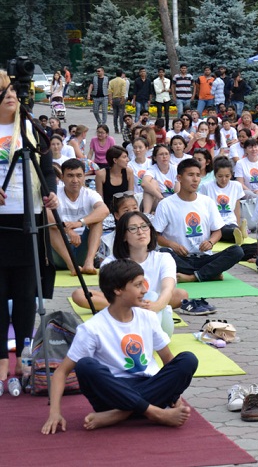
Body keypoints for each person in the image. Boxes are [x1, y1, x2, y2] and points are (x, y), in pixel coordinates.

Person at [41, 258, 198, 434]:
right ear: (118, 290)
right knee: (86, 366)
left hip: (148, 385)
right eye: (138, 285)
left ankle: (120, 414)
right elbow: (61, 372)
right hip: (112, 394)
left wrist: (175, 393)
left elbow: (169, 361)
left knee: (187, 360)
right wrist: (54, 413)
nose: (145, 290)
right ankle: (155, 413)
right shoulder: (93, 328)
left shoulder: (149, 317)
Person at [0, 72, 60, 394]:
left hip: (29, 221)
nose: (10, 95)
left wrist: (51, 193)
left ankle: (24, 359)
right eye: (2, 91)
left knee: (25, 296)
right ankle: (0, 366)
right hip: (0, 225)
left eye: (12, 88)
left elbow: (48, 170)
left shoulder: (32, 131)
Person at [73, 211, 198, 328]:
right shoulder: (111, 262)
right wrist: (138, 306)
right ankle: (131, 309)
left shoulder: (164, 258)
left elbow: (168, 287)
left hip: (153, 302)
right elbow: (112, 294)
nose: (140, 232)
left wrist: (157, 305)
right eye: (133, 228)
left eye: (144, 226)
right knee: (80, 294)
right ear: (123, 236)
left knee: (180, 294)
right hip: (124, 302)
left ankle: (131, 309)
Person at [153, 158, 243, 282]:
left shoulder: (207, 202)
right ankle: (209, 273)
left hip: (204, 257)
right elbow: (155, 235)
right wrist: (172, 245)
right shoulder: (166, 204)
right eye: (190, 175)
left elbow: (218, 231)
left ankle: (192, 277)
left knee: (237, 251)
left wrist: (210, 242)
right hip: (181, 258)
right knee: (163, 253)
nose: (195, 179)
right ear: (179, 178)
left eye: (198, 175)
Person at [49, 159, 110, 276]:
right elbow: (47, 216)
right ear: (62, 177)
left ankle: (89, 262)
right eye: (70, 176)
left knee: (97, 222)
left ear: (84, 177)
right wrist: (67, 230)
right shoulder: (55, 194)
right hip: (60, 249)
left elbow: (104, 210)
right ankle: (71, 265)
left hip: (83, 246)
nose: (75, 180)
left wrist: (80, 223)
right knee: (50, 227)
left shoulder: (90, 193)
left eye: (79, 176)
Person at [95, 146, 135, 213]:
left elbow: (130, 195)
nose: (127, 160)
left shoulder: (129, 172)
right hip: (107, 210)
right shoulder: (101, 174)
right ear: (115, 160)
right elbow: (100, 199)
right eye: (124, 157)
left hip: (125, 209)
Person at [109, 69, 129, 134]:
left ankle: (116, 128)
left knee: (115, 114)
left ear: (116, 74)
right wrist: (123, 99)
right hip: (120, 98)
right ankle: (122, 128)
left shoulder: (111, 81)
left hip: (114, 99)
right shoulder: (123, 81)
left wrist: (110, 99)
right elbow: (123, 91)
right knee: (121, 114)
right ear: (121, 74)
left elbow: (109, 91)